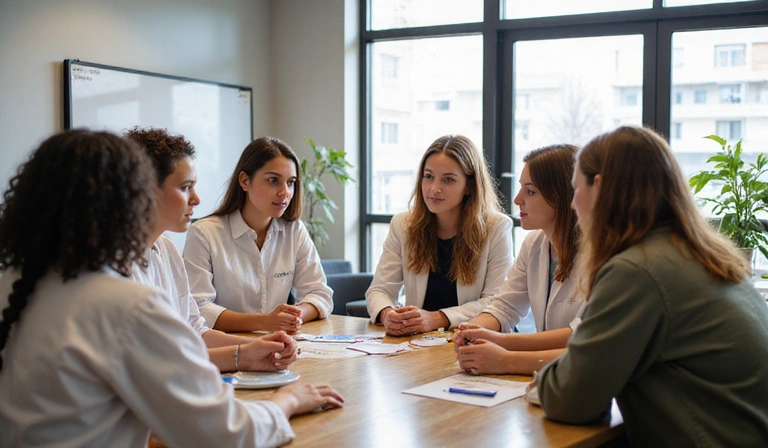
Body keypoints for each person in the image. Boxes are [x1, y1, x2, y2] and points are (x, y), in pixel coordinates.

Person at [0, 130, 343, 447]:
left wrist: (246, 350)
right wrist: (289, 400)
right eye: (185, 187)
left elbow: (189, 334)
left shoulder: (19, 278)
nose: (196, 198)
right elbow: (223, 432)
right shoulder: (125, 303)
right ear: (134, 195)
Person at [536, 126, 768, 447]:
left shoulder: (636, 270)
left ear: (599, 187)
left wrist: (548, 374)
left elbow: (568, 398)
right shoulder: (705, 255)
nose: (573, 204)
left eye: (576, 189)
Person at [125, 127, 296, 373]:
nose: (196, 199)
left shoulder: (167, 250)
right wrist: (243, 355)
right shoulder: (118, 266)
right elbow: (157, 360)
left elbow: (195, 331)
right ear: (146, 189)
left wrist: (260, 346)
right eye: (186, 188)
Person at [454, 144, 585, 375]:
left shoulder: (602, 255)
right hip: (551, 377)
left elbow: (583, 336)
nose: (517, 200)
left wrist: (502, 347)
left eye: (530, 191)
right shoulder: (534, 244)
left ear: (562, 196)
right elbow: (505, 306)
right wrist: (473, 332)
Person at [365, 135, 514, 336]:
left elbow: (496, 302)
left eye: (448, 180)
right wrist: (387, 314)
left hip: (474, 340)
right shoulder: (403, 225)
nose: (434, 188)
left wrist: (435, 319)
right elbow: (379, 290)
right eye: (428, 176)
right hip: (418, 344)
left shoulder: (496, 227)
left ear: (470, 186)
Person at [184, 137, 332, 333]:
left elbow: (320, 293)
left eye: (291, 182)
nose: (285, 192)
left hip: (277, 344)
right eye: (273, 181)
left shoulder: (294, 230)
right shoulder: (204, 233)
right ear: (245, 181)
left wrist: (291, 318)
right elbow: (198, 308)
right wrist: (265, 322)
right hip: (224, 349)